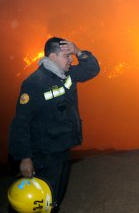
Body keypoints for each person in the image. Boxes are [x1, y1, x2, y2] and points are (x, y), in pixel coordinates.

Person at [8, 37, 100, 212]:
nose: (71, 59)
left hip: (62, 149)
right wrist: (25, 158)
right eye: (67, 56)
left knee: (55, 198)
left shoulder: (67, 75)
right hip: (44, 155)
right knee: (42, 201)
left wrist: (78, 51)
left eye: (71, 55)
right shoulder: (34, 83)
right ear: (52, 57)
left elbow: (93, 69)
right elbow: (20, 123)